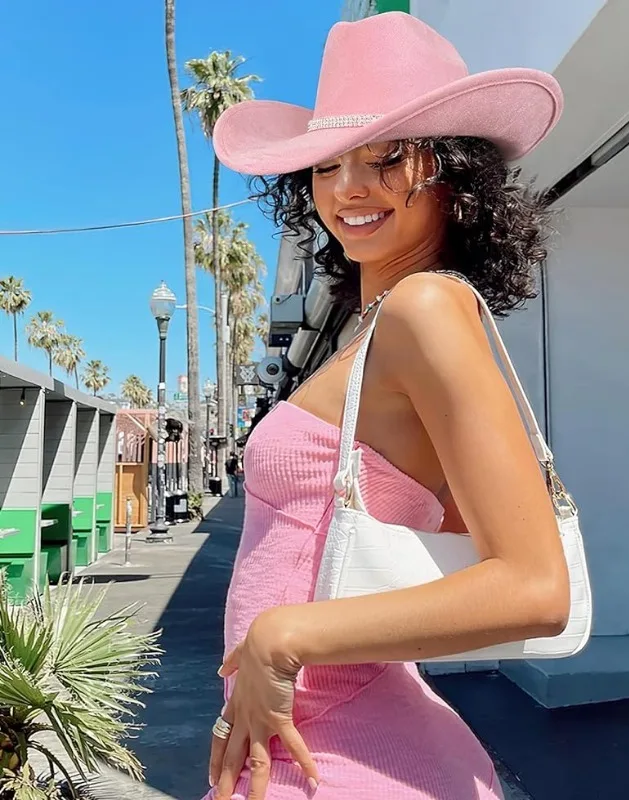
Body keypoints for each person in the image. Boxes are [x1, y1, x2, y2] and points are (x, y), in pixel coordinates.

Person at [204, 12, 570, 800]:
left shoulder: (423, 309)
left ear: (455, 172)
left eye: (387, 158)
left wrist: (284, 634)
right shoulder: (376, 328)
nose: (349, 188)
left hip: (341, 758)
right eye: (328, 164)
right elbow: (452, 534)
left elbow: (536, 588)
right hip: (320, 742)